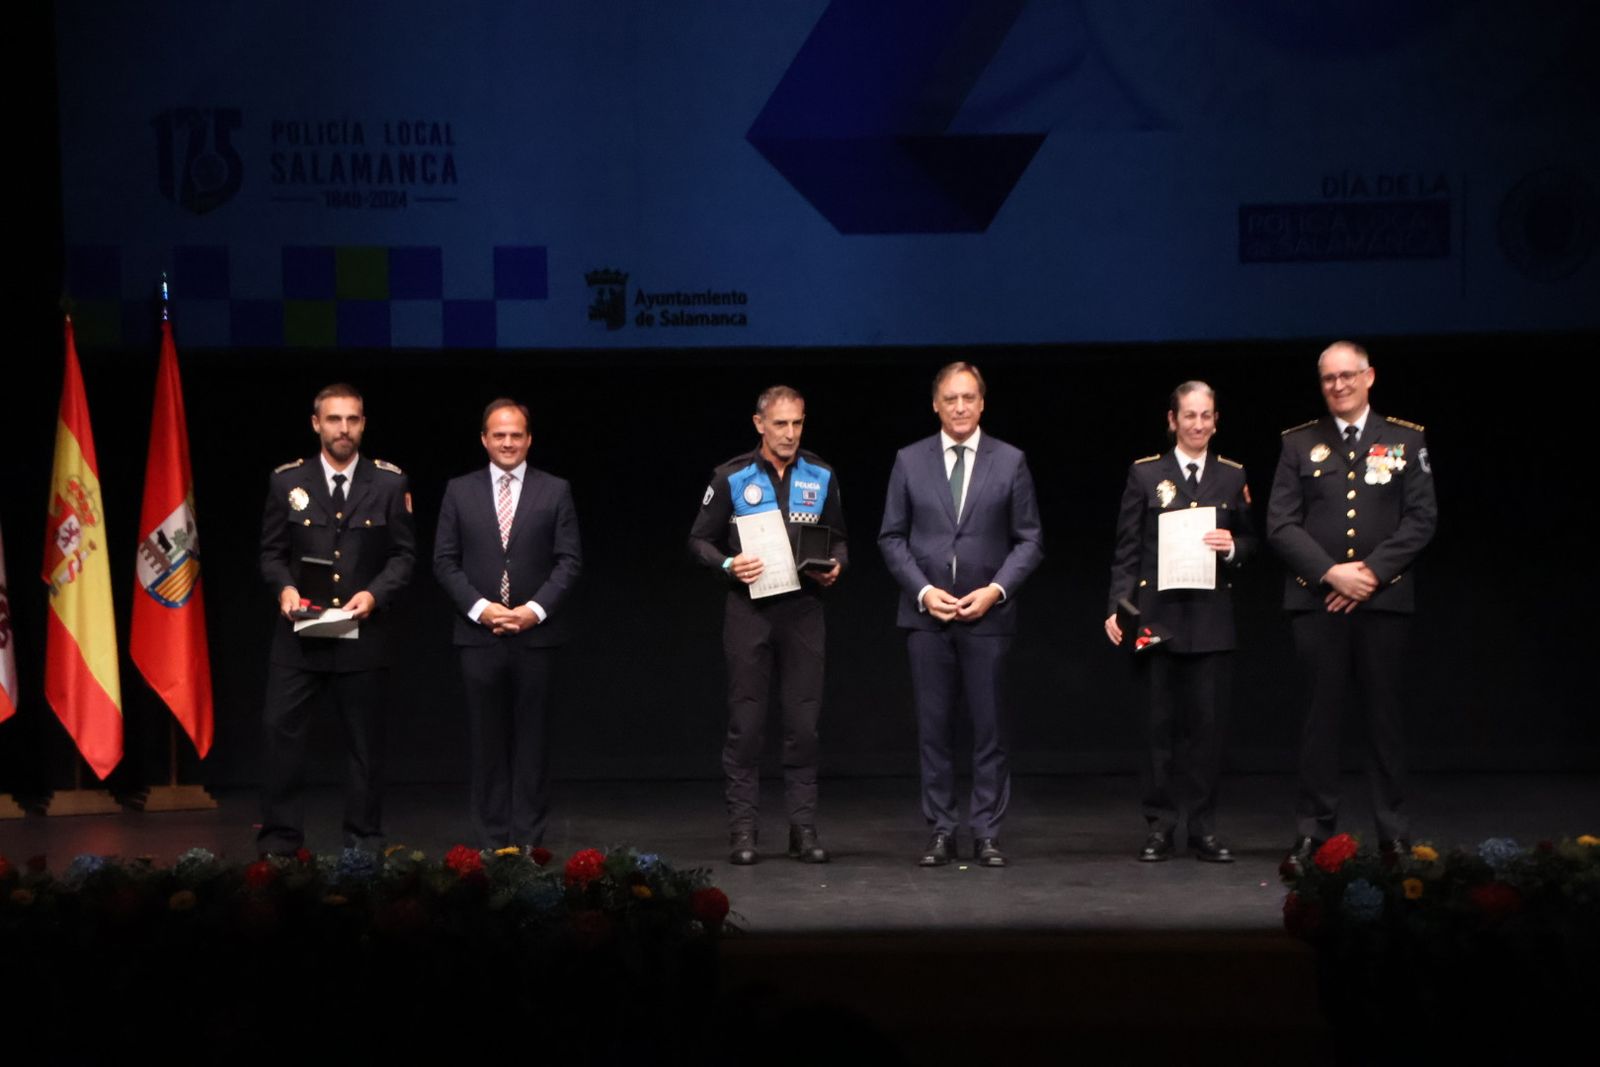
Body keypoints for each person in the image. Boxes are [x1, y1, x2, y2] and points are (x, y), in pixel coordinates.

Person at [1268, 341, 1437, 874]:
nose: (1338, 386)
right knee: (1320, 721)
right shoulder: (1298, 442)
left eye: (1347, 376)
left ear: (1369, 377)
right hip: (1317, 602)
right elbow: (1280, 523)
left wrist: (1369, 574)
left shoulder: (1406, 439)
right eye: (1328, 378)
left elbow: (1421, 519)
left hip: (1383, 602)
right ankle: (1312, 834)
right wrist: (1330, 573)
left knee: (1384, 721)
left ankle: (1394, 835)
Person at [878, 362, 1043, 868]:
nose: (960, 407)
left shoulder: (1010, 461)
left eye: (969, 397)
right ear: (935, 404)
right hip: (926, 618)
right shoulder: (910, 460)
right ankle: (941, 830)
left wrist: (996, 590)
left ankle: (987, 831)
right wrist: (924, 591)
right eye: (950, 398)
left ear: (982, 403)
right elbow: (891, 537)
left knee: (989, 730)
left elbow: (1030, 540)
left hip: (987, 617)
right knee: (934, 731)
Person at [688, 385, 847, 865]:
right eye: (780, 424)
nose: (790, 433)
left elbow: (839, 539)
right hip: (749, 612)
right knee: (747, 724)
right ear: (759, 424)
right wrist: (727, 565)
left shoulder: (821, 474)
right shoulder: (732, 476)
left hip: (803, 611)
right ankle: (743, 831)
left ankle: (803, 828)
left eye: (797, 423)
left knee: (804, 725)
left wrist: (837, 565)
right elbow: (699, 540)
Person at [258, 383, 415, 856]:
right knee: (280, 737)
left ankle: (362, 845)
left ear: (363, 424)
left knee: (365, 747)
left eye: (352, 419)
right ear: (316, 424)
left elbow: (404, 556)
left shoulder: (389, 483)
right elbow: (271, 553)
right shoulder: (287, 481)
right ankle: (281, 842)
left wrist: (374, 594)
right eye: (333, 419)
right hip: (301, 633)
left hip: (361, 632)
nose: (343, 429)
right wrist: (284, 588)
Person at [1104, 381, 1255, 863]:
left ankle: (1204, 828)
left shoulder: (1232, 475)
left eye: (1206, 415)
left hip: (1210, 623)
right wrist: (1117, 605)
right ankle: (1160, 826)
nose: (1198, 424)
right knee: (1158, 730)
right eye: (1189, 415)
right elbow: (1127, 548)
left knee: (1207, 733)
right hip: (1157, 621)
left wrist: (1232, 547)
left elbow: (1252, 541)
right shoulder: (1146, 474)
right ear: (1172, 420)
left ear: (1216, 420)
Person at [434, 399, 582, 850]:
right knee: (487, 744)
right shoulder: (459, 491)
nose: (508, 442)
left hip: (536, 637)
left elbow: (569, 561)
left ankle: (529, 843)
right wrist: (481, 608)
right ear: (484, 439)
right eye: (499, 434)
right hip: (478, 636)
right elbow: (444, 561)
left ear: (529, 439)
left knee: (533, 744)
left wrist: (533, 610)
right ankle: (492, 843)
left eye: (516, 434)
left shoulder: (555, 490)